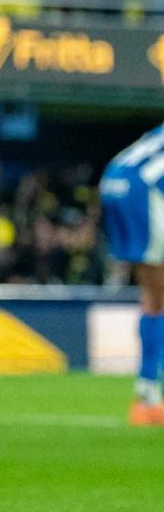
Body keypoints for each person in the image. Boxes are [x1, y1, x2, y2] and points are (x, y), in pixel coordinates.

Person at [99, 125, 164, 426]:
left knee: (154, 296)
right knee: (157, 296)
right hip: (145, 188)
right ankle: (147, 395)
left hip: (114, 179)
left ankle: (148, 394)